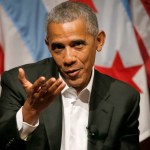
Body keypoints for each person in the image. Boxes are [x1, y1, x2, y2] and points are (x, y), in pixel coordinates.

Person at [0, 1, 140, 150]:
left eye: (77, 44)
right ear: (48, 46)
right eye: (58, 47)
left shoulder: (124, 98)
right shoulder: (19, 84)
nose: (68, 58)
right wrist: (30, 112)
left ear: (99, 41)